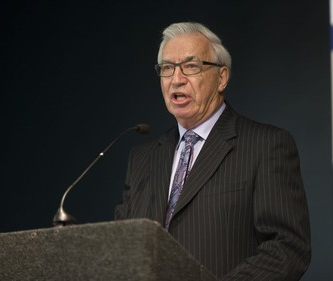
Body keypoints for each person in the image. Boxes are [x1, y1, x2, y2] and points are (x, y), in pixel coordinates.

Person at [114, 22, 311, 280]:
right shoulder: (142, 158)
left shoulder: (265, 145)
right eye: (167, 68)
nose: (176, 79)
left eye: (191, 66)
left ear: (222, 78)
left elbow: (287, 247)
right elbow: (119, 247)